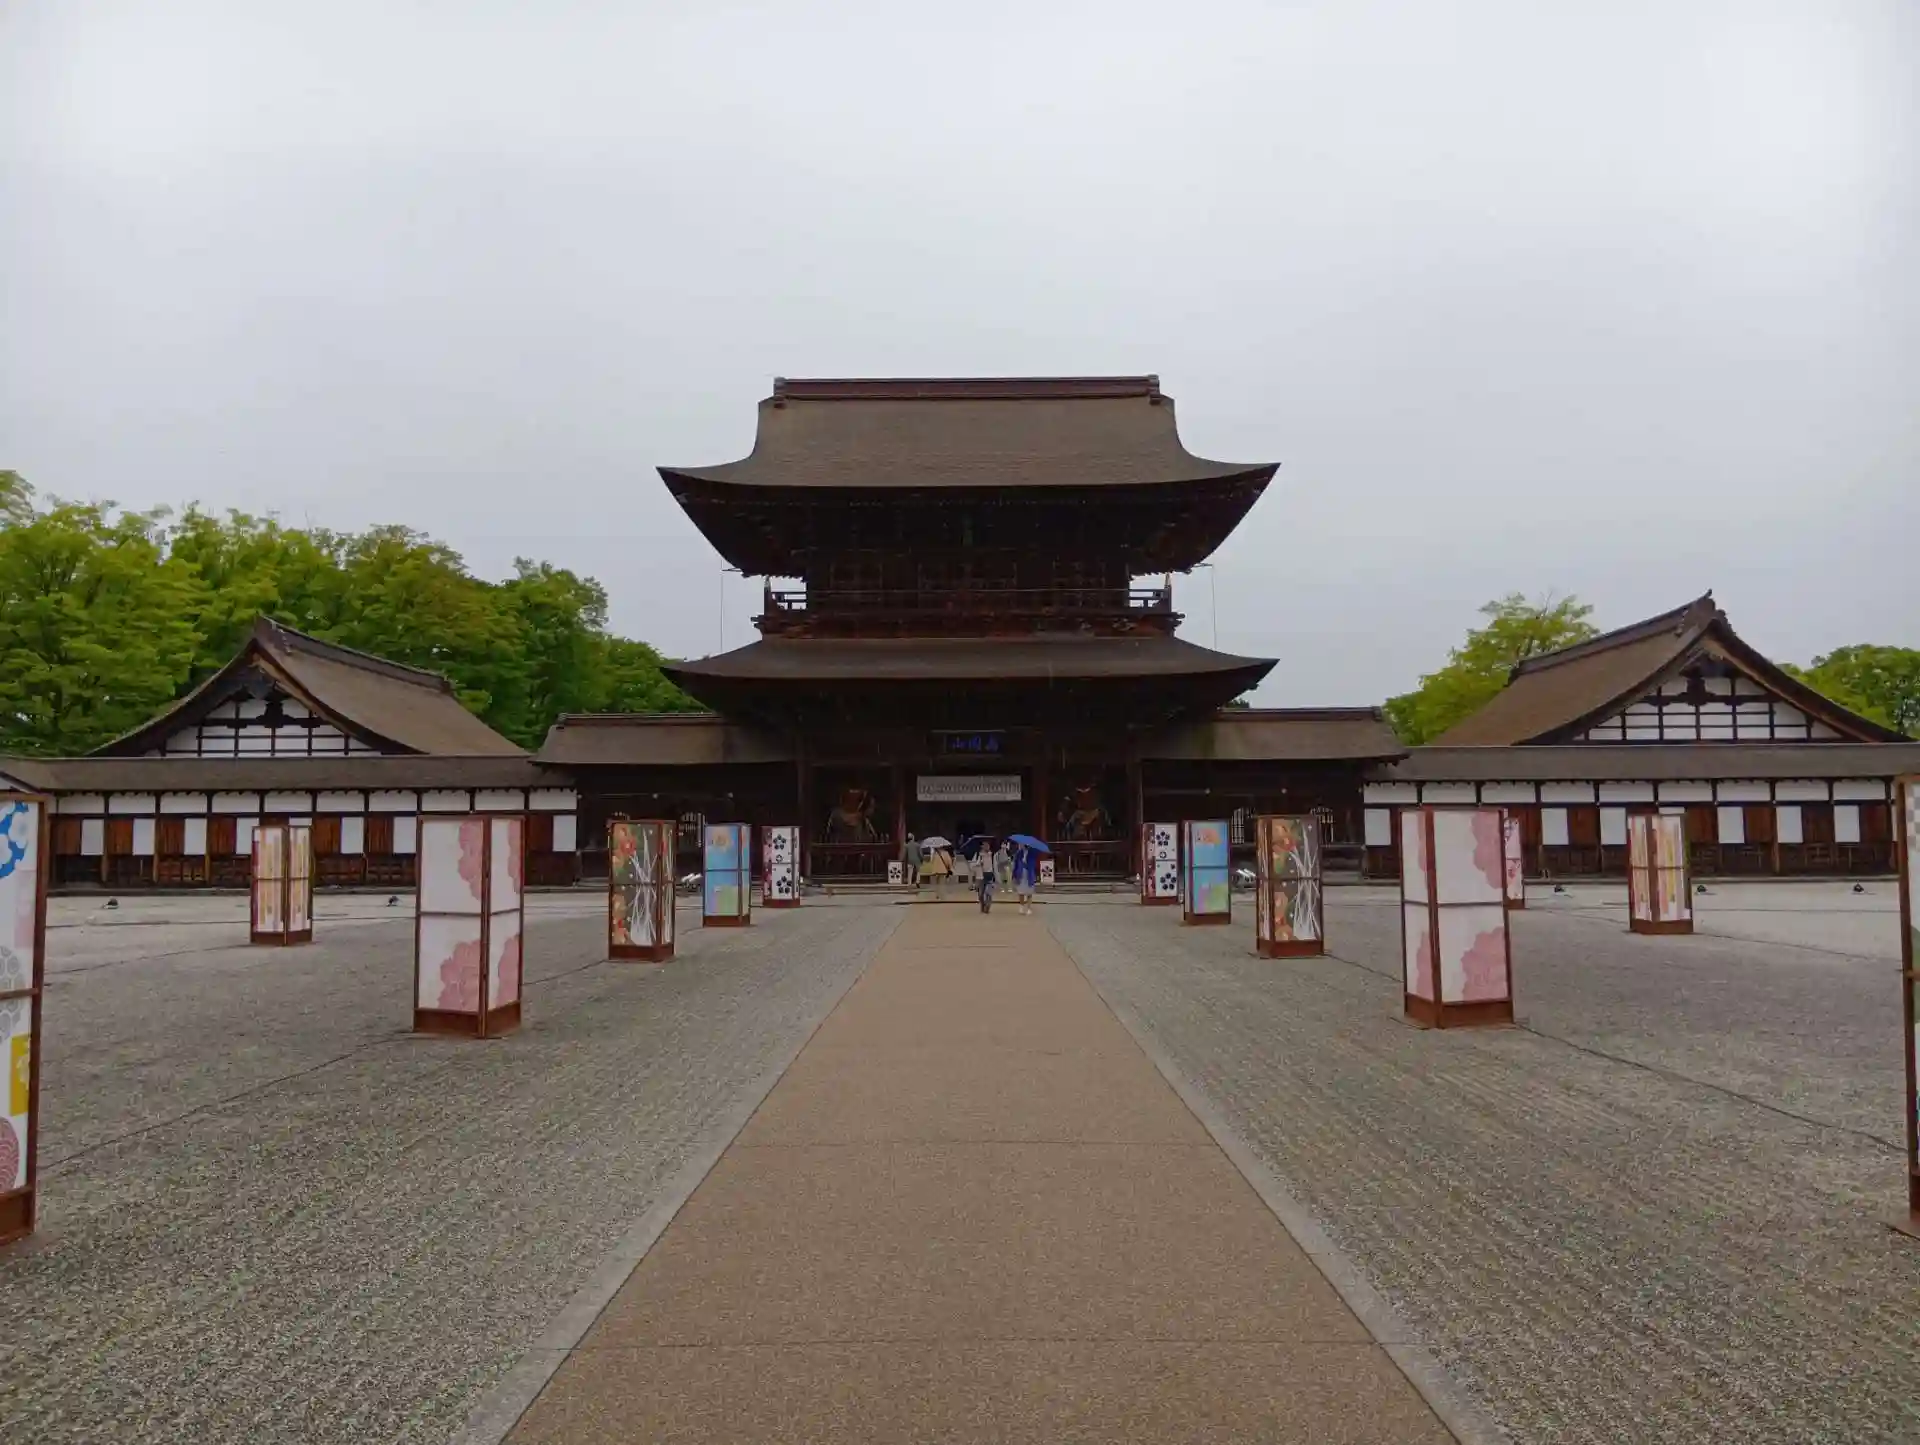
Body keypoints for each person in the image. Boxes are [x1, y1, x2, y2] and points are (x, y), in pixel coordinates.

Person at [1012, 842, 1038, 915]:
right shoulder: (1019, 853)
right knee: (1021, 892)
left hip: (1029, 874)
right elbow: (1015, 864)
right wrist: (1014, 875)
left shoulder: (1032, 853)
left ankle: (1029, 908)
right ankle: (1021, 906)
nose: (1022, 845)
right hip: (1020, 874)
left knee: (1029, 892)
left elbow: (1034, 863)